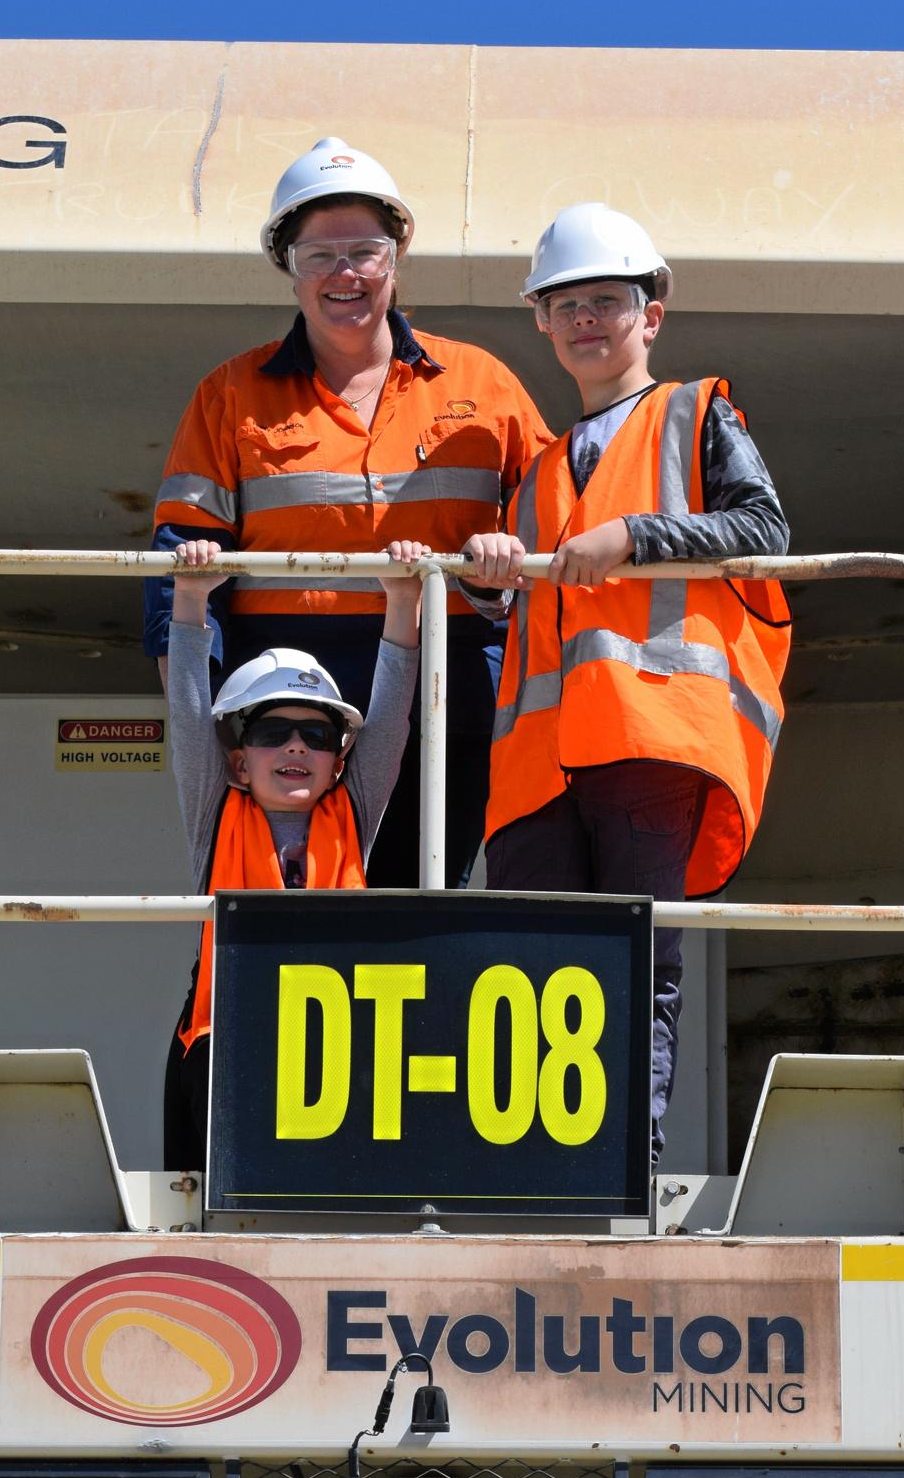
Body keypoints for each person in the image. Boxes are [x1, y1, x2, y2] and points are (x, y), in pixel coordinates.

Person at [460, 203, 793, 1158]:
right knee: (527, 978)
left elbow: (763, 530)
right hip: (538, 771)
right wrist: (492, 577)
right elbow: (527, 617)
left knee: (637, 968)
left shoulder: (695, 412)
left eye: (607, 301)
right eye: (566, 306)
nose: (586, 321)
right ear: (540, 321)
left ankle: (620, 1175)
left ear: (653, 313)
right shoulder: (537, 473)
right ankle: (531, 1176)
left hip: (651, 741)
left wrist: (635, 538)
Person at [144, 137, 552, 889]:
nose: (345, 274)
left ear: (397, 257)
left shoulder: (483, 384)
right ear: (287, 269)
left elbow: (554, 525)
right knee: (282, 926)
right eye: (317, 257)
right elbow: (177, 570)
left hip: (448, 698)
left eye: (365, 250)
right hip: (286, 716)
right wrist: (203, 737)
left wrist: (506, 556)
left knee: (422, 912)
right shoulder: (228, 396)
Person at [159, 537, 429, 1171]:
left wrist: (403, 600)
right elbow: (190, 710)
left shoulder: (354, 809)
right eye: (273, 732)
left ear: (339, 760)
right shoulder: (213, 809)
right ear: (238, 759)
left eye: (316, 734)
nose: (296, 748)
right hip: (227, 1040)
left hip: (341, 1054)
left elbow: (389, 721)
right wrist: (193, 597)